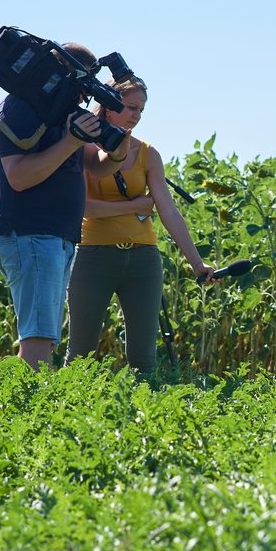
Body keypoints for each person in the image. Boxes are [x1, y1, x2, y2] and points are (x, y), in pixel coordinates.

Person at [0, 42, 131, 371]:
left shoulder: (64, 111)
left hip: (55, 237)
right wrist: (70, 141)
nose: (83, 98)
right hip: (29, 232)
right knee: (38, 342)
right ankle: (26, 414)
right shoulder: (20, 107)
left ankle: (11, 401)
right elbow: (19, 177)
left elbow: (97, 166)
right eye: (82, 87)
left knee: (42, 338)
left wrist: (117, 150)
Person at [65, 76, 216, 372]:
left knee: (144, 357)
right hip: (93, 256)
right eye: (131, 107)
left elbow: (169, 212)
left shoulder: (148, 153)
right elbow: (83, 207)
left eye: (141, 110)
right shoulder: (81, 147)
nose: (136, 115)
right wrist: (135, 205)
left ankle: (147, 415)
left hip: (143, 260)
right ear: (108, 106)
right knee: (80, 354)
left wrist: (197, 264)